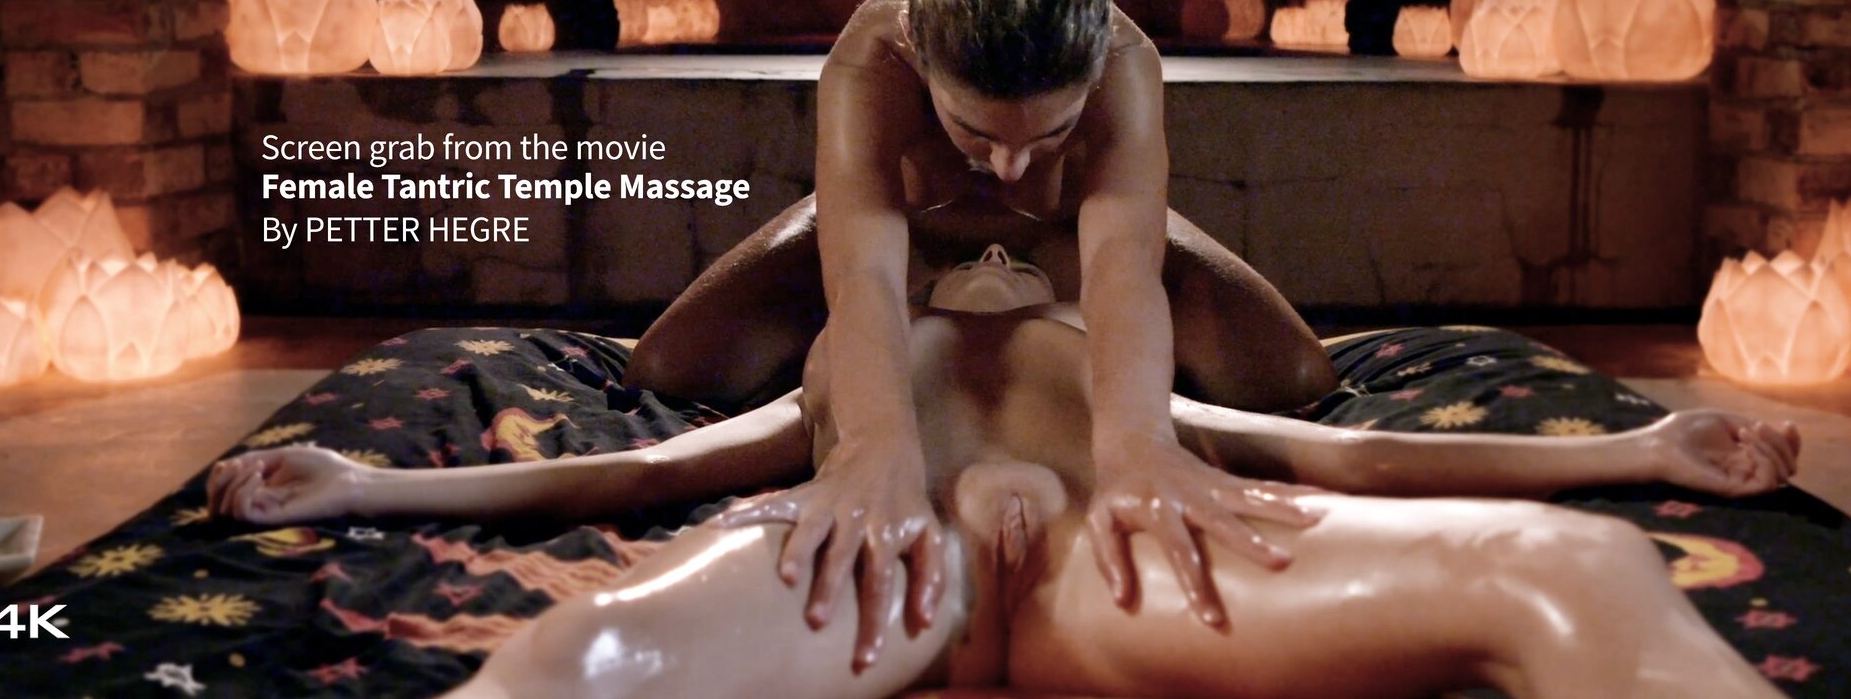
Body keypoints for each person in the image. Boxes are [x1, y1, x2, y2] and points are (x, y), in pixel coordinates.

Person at [211, 245, 1798, 699]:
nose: (987, 250)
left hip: (1135, 566)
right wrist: (366, 487)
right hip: (881, 568)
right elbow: (632, 472)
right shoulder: (852, 358)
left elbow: (1340, 444)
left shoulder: (1117, 360)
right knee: (582, 658)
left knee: (1573, 567)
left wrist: (1641, 450)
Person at [614, 0, 1341, 663]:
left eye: (1052, 134)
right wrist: (875, 448)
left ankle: (1031, 295)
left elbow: (1120, 267)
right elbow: (864, 275)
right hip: (912, 230)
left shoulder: (1124, 59)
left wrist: (1137, 445)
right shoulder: (873, 51)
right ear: (918, 49)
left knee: (1292, 375)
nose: (1009, 167)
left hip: (1068, 236)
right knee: (671, 368)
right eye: (974, 131)